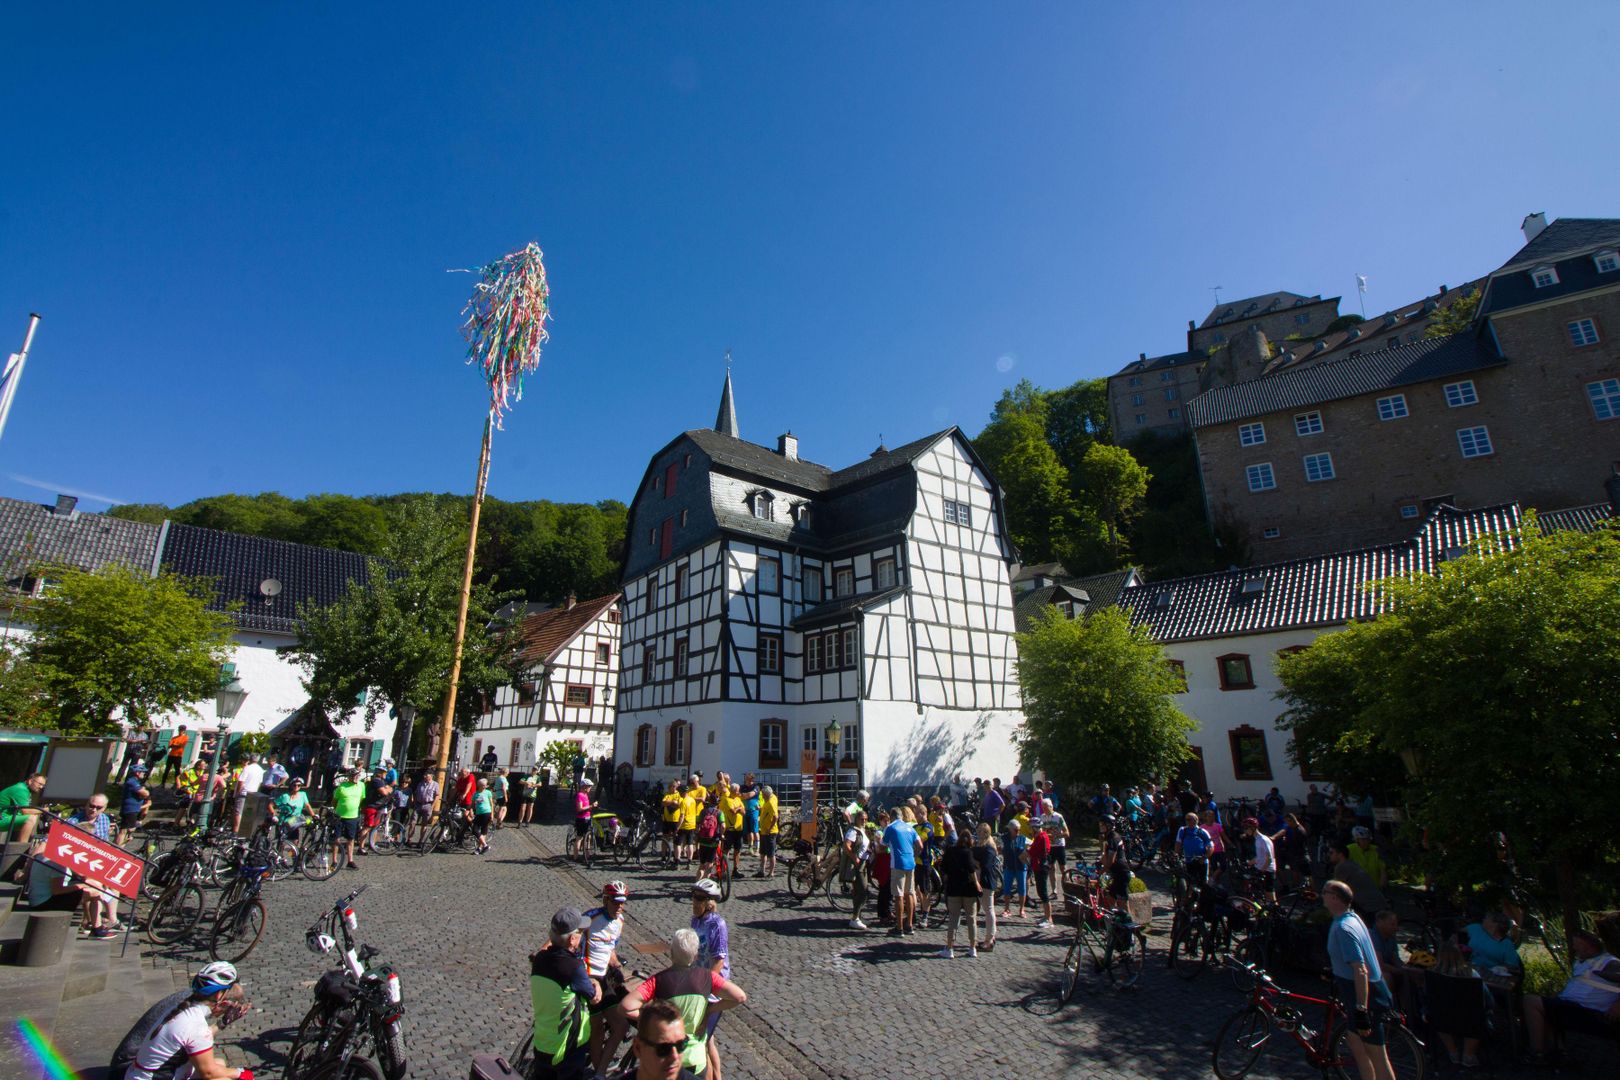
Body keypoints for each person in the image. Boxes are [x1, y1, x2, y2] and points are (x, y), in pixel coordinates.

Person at [612, 936, 745, 1080]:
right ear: (695, 956)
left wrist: (652, 1021)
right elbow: (739, 997)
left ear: (671, 954)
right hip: (695, 1058)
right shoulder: (708, 977)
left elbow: (625, 1007)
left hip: (662, 1061)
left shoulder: (657, 980)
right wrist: (708, 1011)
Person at [121, 962, 251, 1080]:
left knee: (219, 1063)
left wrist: (222, 1023)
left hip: (137, 1074)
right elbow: (209, 1073)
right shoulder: (196, 1025)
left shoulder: (183, 1009)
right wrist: (242, 1073)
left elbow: (194, 1039)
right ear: (219, 996)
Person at [1322, 880, 1396, 1080]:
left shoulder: (1344, 927)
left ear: (1335, 898)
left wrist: (1361, 1010)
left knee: (1378, 1057)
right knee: (1356, 1045)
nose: (1321, 895)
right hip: (1357, 992)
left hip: (1366, 997)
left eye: (1324, 892)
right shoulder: (1351, 918)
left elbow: (1360, 969)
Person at [1524, 928, 1620, 1061]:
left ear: (1588, 946)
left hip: (1589, 1011)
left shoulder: (1609, 962)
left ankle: (1537, 1053)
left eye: (1577, 945)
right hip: (1571, 1005)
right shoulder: (1582, 961)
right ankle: (1558, 1052)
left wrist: (1618, 1004)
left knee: (1531, 1001)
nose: (1574, 948)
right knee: (1546, 1005)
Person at [530, 907, 600, 1080]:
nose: (582, 935)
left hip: (542, 1041)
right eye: (580, 932)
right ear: (572, 939)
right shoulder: (573, 967)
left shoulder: (539, 959)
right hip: (567, 1047)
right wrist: (596, 983)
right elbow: (594, 998)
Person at [583, 881, 630, 1073]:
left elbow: (610, 949)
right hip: (588, 976)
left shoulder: (620, 922)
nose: (619, 906)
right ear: (605, 900)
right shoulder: (590, 917)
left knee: (621, 1025)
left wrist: (617, 964)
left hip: (604, 976)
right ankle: (598, 1070)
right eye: (615, 902)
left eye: (622, 902)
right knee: (597, 1029)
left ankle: (601, 1068)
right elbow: (568, 933)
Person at [689, 880, 732, 1080]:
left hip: (711, 991)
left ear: (709, 903)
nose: (694, 902)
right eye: (693, 896)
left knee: (701, 1043)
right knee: (708, 1040)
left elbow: (719, 962)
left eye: (698, 898)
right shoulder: (695, 921)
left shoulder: (717, 924)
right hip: (698, 983)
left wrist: (704, 990)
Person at [68, 796, 120, 938]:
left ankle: (112, 920)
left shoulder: (104, 819)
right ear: (86, 804)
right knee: (95, 884)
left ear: (104, 808)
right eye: (91, 806)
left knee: (114, 881)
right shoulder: (73, 821)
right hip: (78, 860)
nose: (94, 810)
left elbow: (104, 843)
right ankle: (91, 923)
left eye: (99, 808)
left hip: (96, 859)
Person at [939, 830, 980, 958]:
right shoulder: (969, 853)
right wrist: (977, 883)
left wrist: (947, 877)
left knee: (953, 919)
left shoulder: (950, 851)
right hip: (968, 889)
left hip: (953, 888)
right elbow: (972, 870)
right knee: (971, 919)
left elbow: (943, 867)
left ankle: (949, 948)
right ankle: (972, 947)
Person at [882, 806, 922, 936]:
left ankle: (899, 928)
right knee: (909, 893)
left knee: (898, 895)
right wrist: (914, 856)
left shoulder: (890, 827)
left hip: (898, 863)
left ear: (891, 816)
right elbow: (920, 845)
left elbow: (883, 845)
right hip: (910, 863)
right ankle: (909, 925)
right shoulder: (910, 828)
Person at [1326, 841, 1388, 918]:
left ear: (1340, 855)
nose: (1329, 855)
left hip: (1369, 908)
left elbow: (1335, 891)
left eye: (1331, 853)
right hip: (1377, 904)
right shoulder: (1352, 864)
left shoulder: (1341, 867)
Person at [1463, 912, 1523, 977]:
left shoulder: (1507, 944)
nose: (1483, 919)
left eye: (1486, 918)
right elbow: (1457, 936)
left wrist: (1499, 969)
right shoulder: (1474, 928)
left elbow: (1513, 966)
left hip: (1491, 976)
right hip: (1467, 970)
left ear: (1495, 924)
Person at [841, 808, 871, 930]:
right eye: (861, 819)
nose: (864, 821)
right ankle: (855, 918)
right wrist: (855, 858)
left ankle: (857, 915)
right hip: (857, 864)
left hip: (864, 863)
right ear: (856, 819)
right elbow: (846, 846)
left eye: (865, 819)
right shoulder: (853, 831)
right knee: (862, 890)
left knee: (859, 890)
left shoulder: (863, 830)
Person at [331, 769, 366, 871]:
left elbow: (361, 799)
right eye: (353, 776)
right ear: (349, 777)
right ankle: (334, 861)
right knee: (336, 839)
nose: (355, 777)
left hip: (353, 817)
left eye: (357, 775)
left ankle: (350, 861)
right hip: (339, 817)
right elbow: (334, 801)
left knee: (351, 839)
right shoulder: (342, 787)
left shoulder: (361, 786)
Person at [972, 822, 1000, 951]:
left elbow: (986, 865)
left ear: (985, 833)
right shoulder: (982, 846)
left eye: (980, 832)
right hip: (983, 879)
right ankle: (989, 938)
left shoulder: (989, 848)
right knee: (987, 909)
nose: (977, 834)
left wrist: (974, 862)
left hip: (986, 881)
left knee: (988, 910)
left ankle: (990, 939)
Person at [1098, 815, 1133, 909]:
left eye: (1102, 825)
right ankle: (1113, 915)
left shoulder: (1113, 838)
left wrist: (1102, 871)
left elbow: (1110, 861)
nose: (1100, 827)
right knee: (1111, 898)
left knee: (1122, 901)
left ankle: (1127, 917)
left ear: (1108, 825)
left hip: (1122, 872)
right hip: (1117, 873)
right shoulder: (1109, 837)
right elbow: (1104, 854)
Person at [999, 811, 1029, 921]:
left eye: (1019, 830)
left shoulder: (1023, 838)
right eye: (1016, 830)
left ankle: (1022, 909)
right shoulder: (1004, 838)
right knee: (1007, 888)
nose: (1018, 832)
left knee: (1022, 888)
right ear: (1010, 829)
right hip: (1009, 866)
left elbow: (1031, 847)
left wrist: (1027, 853)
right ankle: (1007, 909)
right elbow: (998, 848)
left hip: (1021, 867)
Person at [118, 764, 153, 847]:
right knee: (124, 831)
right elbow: (145, 793)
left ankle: (120, 847)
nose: (144, 774)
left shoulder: (136, 782)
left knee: (128, 831)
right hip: (130, 810)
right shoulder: (132, 782)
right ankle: (117, 848)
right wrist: (145, 792)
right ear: (137, 773)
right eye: (143, 772)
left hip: (134, 809)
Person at [1177, 812, 1213, 891]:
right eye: (1186, 820)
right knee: (1190, 882)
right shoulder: (1183, 830)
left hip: (1201, 861)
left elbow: (1211, 846)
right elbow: (1178, 843)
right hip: (1188, 860)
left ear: (1196, 820)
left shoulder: (1202, 832)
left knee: (1203, 883)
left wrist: (1205, 857)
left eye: (1189, 819)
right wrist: (1176, 855)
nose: (1187, 821)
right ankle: (1188, 897)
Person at [1028, 816, 1054, 929]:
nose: (1030, 830)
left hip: (1041, 868)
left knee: (1043, 893)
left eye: (1031, 828)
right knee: (1040, 892)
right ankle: (1046, 916)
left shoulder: (1041, 837)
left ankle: (1049, 919)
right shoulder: (1039, 837)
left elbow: (1038, 852)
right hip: (1038, 867)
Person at [360, 766, 393, 853]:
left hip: (378, 807)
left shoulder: (381, 781)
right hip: (371, 807)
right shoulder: (376, 781)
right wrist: (388, 789)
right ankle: (361, 847)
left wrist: (388, 788)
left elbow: (390, 788)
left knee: (375, 827)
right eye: (384, 772)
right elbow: (385, 792)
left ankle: (372, 844)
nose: (386, 774)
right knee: (367, 827)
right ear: (380, 773)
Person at [1243, 816, 1277, 901]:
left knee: (1270, 897)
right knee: (1261, 895)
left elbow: (1269, 858)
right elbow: (1260, 857)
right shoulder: (1257, 839)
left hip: (1268, 871)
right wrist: (1249, 863)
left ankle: (1276, 909)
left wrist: (1261, 871)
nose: (1245, 831)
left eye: (1246, 828)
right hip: (1261, 869)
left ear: (1253, 828)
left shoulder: (1263, 840)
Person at [230, 756, 264, 833]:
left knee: (239, 812)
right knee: (248, 813)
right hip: (253, 794)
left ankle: (236, 831)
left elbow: (241, 781)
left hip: (244, 793)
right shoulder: (260, 770)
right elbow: (259, 783)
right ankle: (244, 832)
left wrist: (237, 793)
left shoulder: (247, 768)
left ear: (250, 760)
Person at [568, 777, 597, 860]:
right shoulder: (580, 795)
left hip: (587, 818)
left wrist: (592, 806)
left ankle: (587, 856)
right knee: (579, 838)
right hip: (581, 819)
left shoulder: (585, 795)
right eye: (589, 786)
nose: (590, 788)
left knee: (588, 837)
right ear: (584, 787)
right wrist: (591, 806)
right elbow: (579, 809)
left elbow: (587, 807)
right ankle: (575, 857)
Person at [756, 785, 778, 878]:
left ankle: (771, 872)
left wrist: (770, 828)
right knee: (763, 852)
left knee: (771, 854)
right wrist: (761, 808)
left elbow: (776, 817)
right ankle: (762, 871)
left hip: (770, 832)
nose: (762, 796)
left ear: (766, 795)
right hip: (763, 831)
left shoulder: (771, 803)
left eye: (763, 795)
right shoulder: (771, 798)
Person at [471, 777, 495, 854]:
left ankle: (479, 848)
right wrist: (471, 811)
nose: (484, 787)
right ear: (478, 785)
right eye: (482, 785)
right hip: (478, 813)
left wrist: (492, 814)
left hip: (486, 812)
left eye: (485, 785)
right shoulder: (475, 794)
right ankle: (485, 845)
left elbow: (491, 804)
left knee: (483, 831)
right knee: (475, 830)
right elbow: (472, 805)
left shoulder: (488, 792)